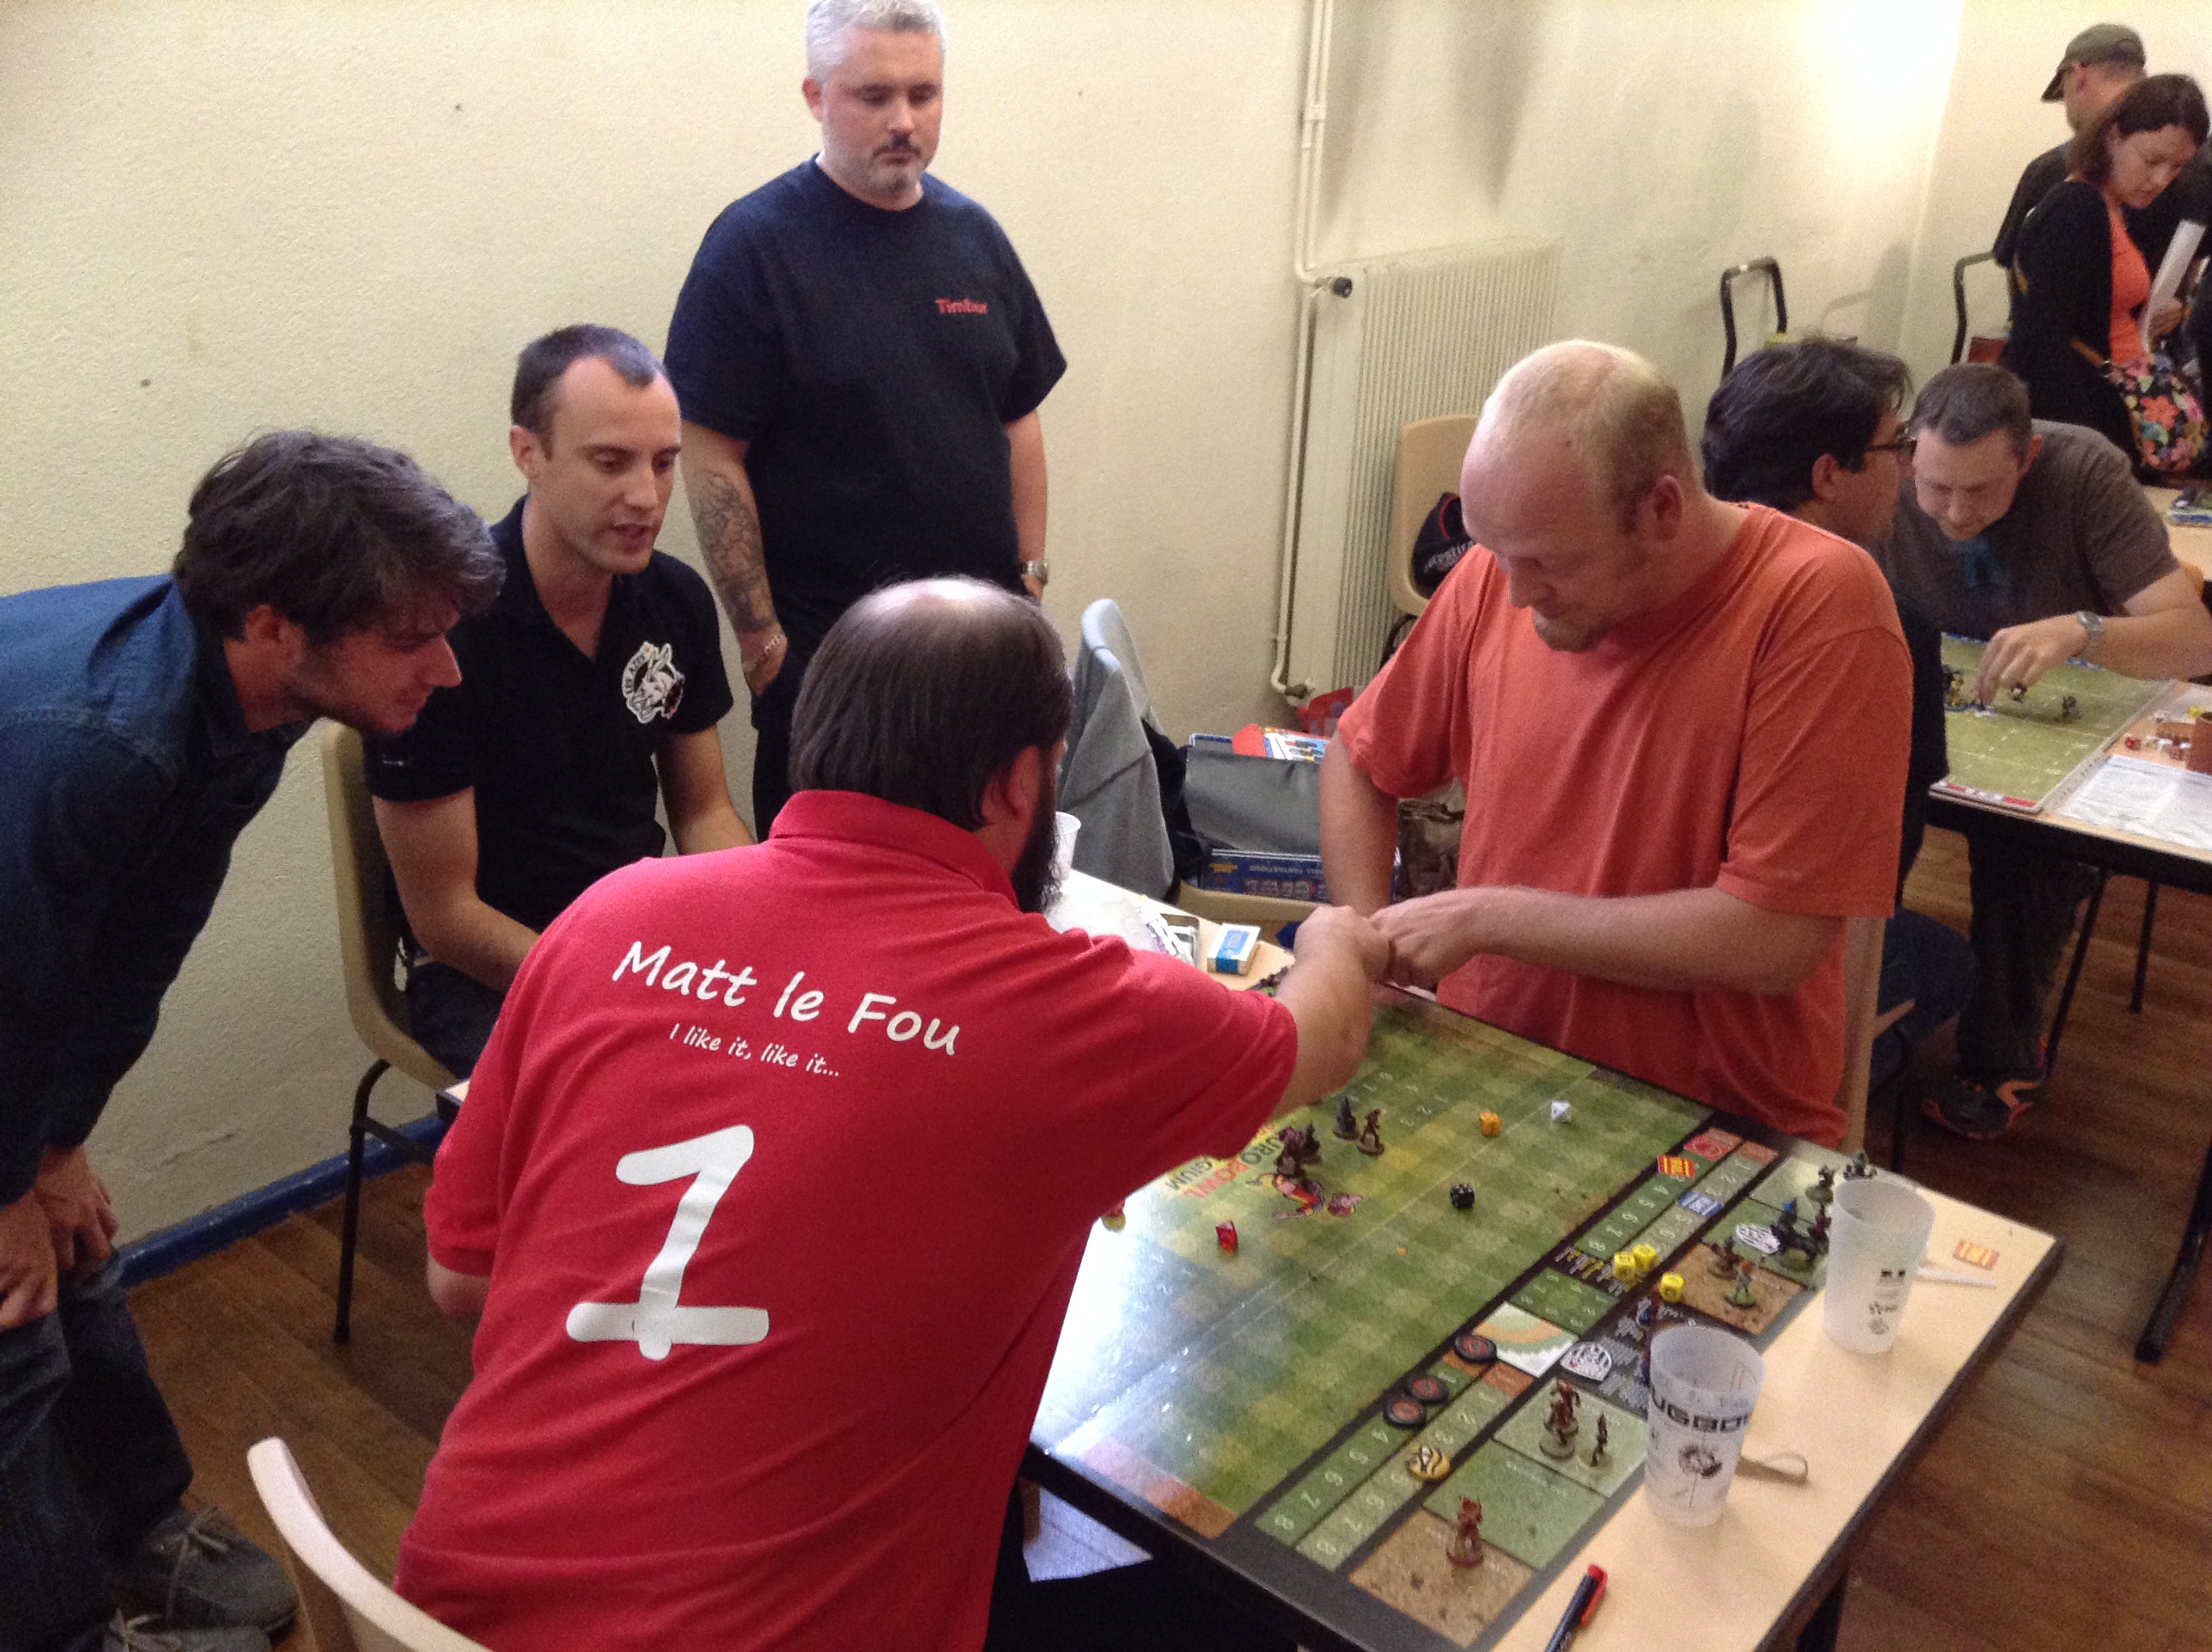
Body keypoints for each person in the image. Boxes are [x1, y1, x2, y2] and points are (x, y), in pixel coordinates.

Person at [388, 578, 1388, 1651]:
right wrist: (1339, 934)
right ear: (1017, 783)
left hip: (433, 1615)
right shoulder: (1076, 1009)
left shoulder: (605, 914)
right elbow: (1325, 1036)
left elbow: (461, 1278)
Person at [0, 433, 504, 1652]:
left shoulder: (252, 699)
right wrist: (7, 1186)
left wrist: (57, 1147)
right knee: (6, 1324)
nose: (445, 670)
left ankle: (136, 1524)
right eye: (412, 637)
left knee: (76, 1244)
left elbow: (137, 947)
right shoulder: (104, 743)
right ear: (275, 623)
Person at [1319, 340, 1912, 1149]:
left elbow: (1776, 939)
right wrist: (1365, 943)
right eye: (1497, 551)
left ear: (1662, 510)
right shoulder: (1502, 572)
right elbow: (1360, 762)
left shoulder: (1819, 606)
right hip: (1487, 1062)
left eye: (1548, 562)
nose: (1516, 594)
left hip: (1703, 1118)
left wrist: (1491, 916)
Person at [666, 0, 1065, 833]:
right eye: (874, 96)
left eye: (924, 94)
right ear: (816, 96)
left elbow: (1018, 418)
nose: (904, 120)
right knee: (831, 902)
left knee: (984, 888)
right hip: (832, 682)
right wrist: (763, 646)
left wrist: (1029, 583)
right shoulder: (753, 249)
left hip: (979, 669)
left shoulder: (975, 238)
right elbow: (708, 453)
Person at [364, 326, 751, 1078]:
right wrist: (608, 986)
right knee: (636, 1098)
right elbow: (445, 917)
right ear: (527, 453)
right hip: (488, 968)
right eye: (610, 462)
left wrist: (767, 924)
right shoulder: (439, 631)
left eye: (663, 463)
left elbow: (704, 812)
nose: (646, 497)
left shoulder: (675, 599)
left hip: (637, 941)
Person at [1877, 363, 2212, 1138]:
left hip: (2062, 716)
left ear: (2026, 459)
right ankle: (1860, 996)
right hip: (1933, 695)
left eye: (1982, 491)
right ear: (1907, 456)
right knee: (1870, 810)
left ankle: (2003, 1058)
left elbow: (2195, 639)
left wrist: (2083, 629)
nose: (1956, 513)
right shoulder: (1883, 470)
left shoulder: (2084, 471)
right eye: (1935, 488)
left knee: (2025, 852)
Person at [1699, 339, 1976, 1087]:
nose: (1908, 467)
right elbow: (1883, 866)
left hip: (1636, 924)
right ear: (1828, 475)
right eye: (1896, 447)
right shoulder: (1885, 622)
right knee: (1951, 962)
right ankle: (1824, 1083)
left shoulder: (1666, 580)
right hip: (1763, 962)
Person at [2001, 73, 2209, 467]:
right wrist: (2090, 449)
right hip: (2089, 415)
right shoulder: (2076, 210)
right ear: (2114, 136)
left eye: (2177, 167)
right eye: (2152, 161)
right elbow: (2042, 346)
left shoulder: (2114, 206)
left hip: (2116, 399)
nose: (2161, 180)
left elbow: (2095, 309)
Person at [1992, 23, 2147, 270]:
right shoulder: (2172, 163)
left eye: (2063, 90)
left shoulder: (2051, 169)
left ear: (2079, 78)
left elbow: (2012, 263)